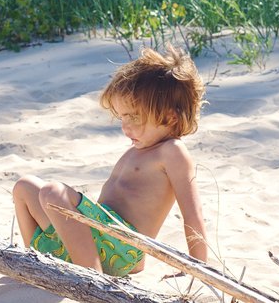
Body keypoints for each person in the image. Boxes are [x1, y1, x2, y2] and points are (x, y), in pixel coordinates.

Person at [12, 46, 208, 276]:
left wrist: (198, 268)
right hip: (95, 241)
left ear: (169, 117)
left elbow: (192, 214)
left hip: (123, 246)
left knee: (54, 192)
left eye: (134, 117)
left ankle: (93, 281)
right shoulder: (137, 149)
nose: (125, 127)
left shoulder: (172, 151)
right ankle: (35, 265)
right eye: (121, 117)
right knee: (24, 186)